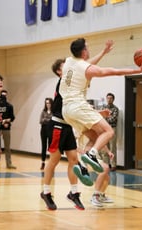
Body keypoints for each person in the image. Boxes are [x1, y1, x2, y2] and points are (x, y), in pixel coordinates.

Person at [59, 38, 142, 175]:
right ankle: (91, 155)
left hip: (66, 110)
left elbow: (87, 65)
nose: (89, 50)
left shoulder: (69, 62)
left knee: (95, 137)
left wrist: (103, 52)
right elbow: (111, 71)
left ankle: (83, 166)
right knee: (108, 132)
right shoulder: (85, 68)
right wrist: (137, 71)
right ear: (84, 51)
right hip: (78, 105)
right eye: (88, 47)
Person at [40, 59, 92, 211]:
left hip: (68, 126)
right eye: (64, 66)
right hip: (56, 124)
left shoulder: (74, 84)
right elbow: (85, 69)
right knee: (54, 160)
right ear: (59, 71)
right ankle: (46, 192)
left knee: (74, 160)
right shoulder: (64, 80)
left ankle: (74, 192)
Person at [102, 92, 119, 171]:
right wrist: (106, 117)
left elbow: (113, 119)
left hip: (112, 128)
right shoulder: (103, 108)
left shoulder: (115, 109)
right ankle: (106, 164)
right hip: (104, 129)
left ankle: (113, 164)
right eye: (108, 98)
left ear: (113, 99)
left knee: (112, 147)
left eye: (111, 98)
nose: (109, 100)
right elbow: (101, 118)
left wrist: (106, 118)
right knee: (105, 147)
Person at [0, 89, 16, 169]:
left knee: (7, 147)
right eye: (2, 95)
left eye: (5, 95)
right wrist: (1, 122)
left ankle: (9, 163)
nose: (4, 97)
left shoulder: (10, 106)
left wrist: (6, 121)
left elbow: (12, 117)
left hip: (6, 128)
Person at [39, 97, 53, 170]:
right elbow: (41, 121)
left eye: (49, 103)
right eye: (46, 103)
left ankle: (51, 163)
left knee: (50, 147)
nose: (48, 104)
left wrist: (46, 120)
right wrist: (48, 120)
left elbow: (53, 121)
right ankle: (43, 162)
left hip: (50, 130)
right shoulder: (43, 111)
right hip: (43, 130)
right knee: (43, 147)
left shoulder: (53, 112)